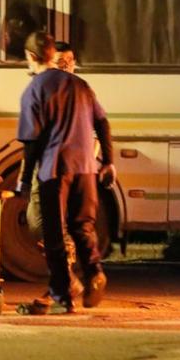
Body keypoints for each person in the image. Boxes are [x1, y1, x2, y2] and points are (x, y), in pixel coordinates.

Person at [15, 32, 115, 314]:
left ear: (32, 57)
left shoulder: (35, 89)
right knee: (82, 226)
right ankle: (95, 271)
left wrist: (24, 181)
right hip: (86, 168)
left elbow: (31, 143)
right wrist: (108, 161)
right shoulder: (82, 86)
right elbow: (103, 122)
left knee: (54, 234)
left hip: (54, 170)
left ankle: (63, 296)